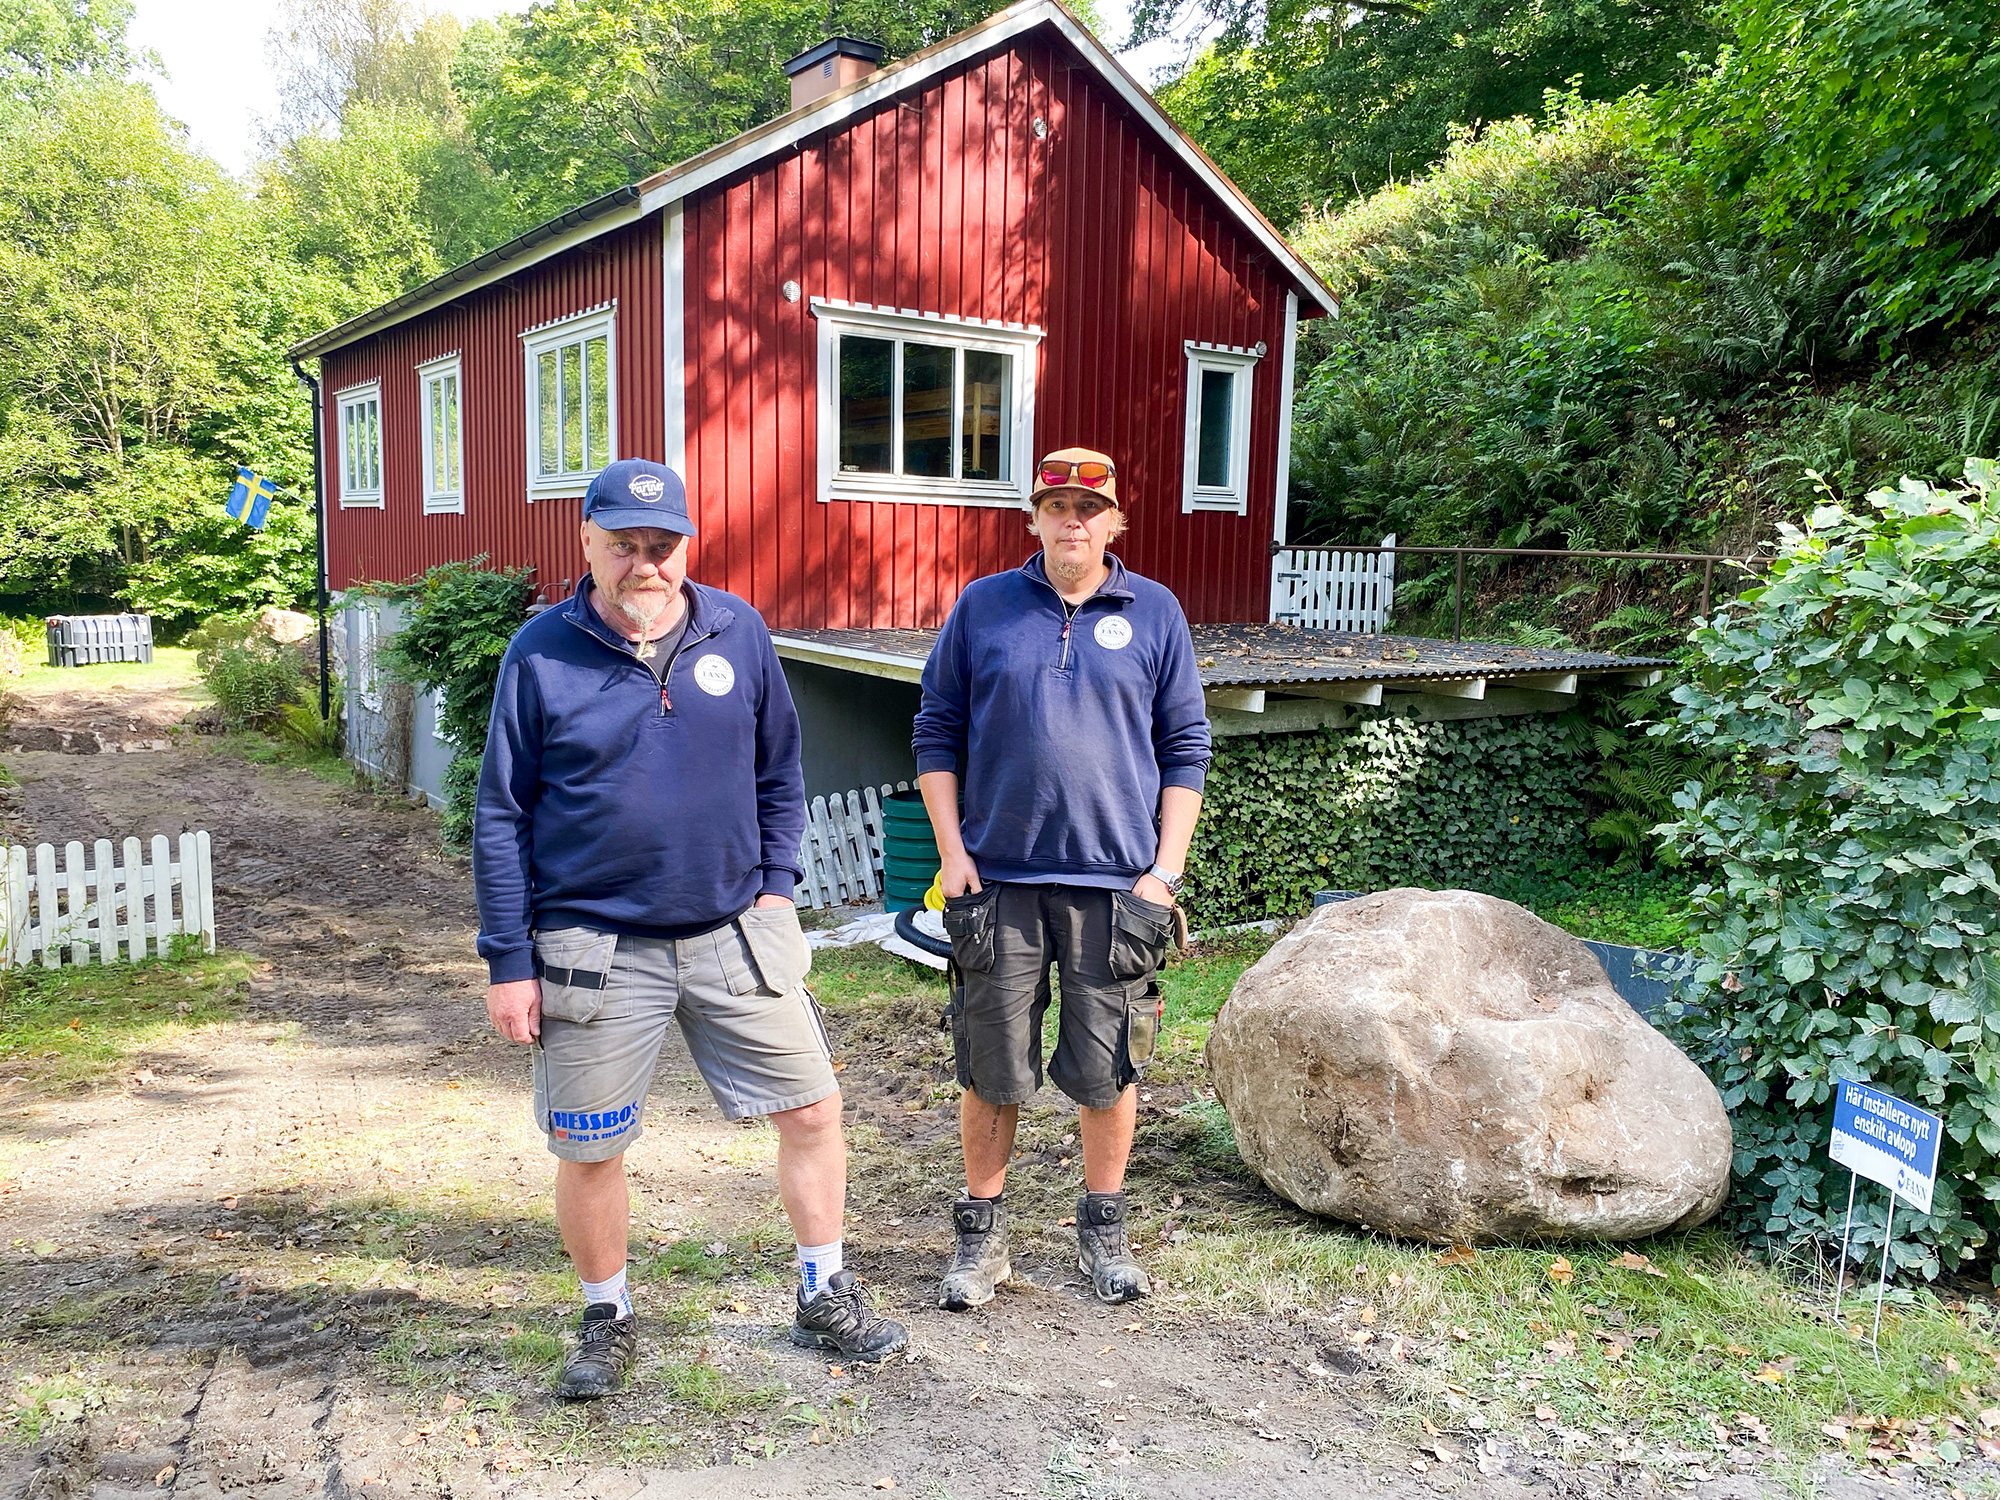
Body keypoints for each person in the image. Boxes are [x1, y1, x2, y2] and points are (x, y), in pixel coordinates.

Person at [474, 458, 906, 1400]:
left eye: (661, 546)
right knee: (588, 1144)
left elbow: (779, 771)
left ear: (685, 547)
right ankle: (606, 1314)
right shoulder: (541, 653)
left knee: (813, 1109)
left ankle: (823, 1288)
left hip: (731, 931)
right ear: (585, 543)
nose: (644, 565)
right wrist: (510, 962)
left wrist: (777, 889)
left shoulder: (736, 630)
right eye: (623, 546)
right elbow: (501, 815)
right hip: (592, 948)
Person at [911, 446, 1211, 1310]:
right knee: (989, 1067)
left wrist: (1165, 871)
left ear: (1115, 522)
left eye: (1089, 507)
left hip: (1118, 886)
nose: (1072, 520)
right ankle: (982, 1241)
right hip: (997, 880)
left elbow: (1185, 745)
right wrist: (952, 854)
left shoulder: (1153, 612)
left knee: (1108, 1067)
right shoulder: (984, 608)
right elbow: (937, 732)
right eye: (1056, 506)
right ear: (1032, 518)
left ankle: (1103, 1232)